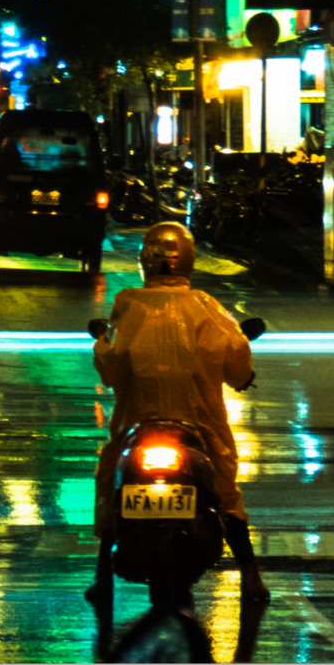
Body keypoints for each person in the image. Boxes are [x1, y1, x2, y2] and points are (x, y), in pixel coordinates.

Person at [88, 219, 268, 607]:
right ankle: (251, 577)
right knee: (224, 490)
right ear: (188, 260)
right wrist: (242, 375)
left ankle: (102, 576)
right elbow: (237, 360)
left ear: (144, 261)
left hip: (137, 424)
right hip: (200, 425)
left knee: (110, 479)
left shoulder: (128, 305)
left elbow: (110, 367)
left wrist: (102, 342)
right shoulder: (206, 307)